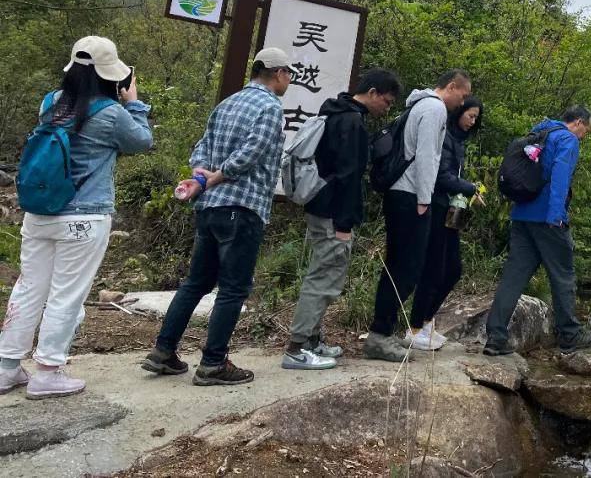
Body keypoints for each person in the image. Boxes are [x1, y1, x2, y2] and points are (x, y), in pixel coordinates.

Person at [0, 37, 152, 399]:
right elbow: (142, 141)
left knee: (29, 287)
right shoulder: (111, 113)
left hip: (40, 213)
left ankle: (6, 368)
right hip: (84, 218)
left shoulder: (50, 103)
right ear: (109, 74)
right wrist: (134, 102)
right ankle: (48, 371)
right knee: (67, 295)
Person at [142, 48, 290, 386]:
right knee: (233, 289)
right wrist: (217, 176)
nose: (289, 81)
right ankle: (213, 363)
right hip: (243, 206)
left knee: (196, 283)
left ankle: (163, 352)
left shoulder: (227, 103)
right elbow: (251, 155)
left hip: (209, 208)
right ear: (278, 73)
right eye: (289, 74)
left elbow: (201, 149)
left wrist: (201, 178)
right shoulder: (269, 107)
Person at [282, 69, 402, 370]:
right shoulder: (352, 122)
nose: (386, 108)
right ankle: (296, 348)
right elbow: (347, 178)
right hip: (334, 213)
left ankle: (311, 339)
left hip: (320, 205)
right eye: (386, 101)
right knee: (324, 277)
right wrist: (345, 224)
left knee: (322, 272)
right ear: (372, 93)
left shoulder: (335, 112)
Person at [364, 69, 472, 362]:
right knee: (405, 268)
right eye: (462, 96)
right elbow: (427, 157)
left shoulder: (418, 104)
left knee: (401, 265)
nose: (462, 103)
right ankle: (379, 335)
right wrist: (424, 199)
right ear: (451, 87)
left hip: (404, 193)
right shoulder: (434, 108)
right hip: (411, 196)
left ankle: (383, 332)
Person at [484, 106, 591, 357]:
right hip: (547, 218)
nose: (583, 137)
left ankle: (495, 337)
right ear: (578, 123)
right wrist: (556, 215)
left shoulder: (538, 134)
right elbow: (560, 177)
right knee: (563, 275)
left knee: (514, 276)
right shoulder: (567, 139)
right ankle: (570, 335)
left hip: (522, 215)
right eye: (585, 131)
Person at [405, 96, 485, 351]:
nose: (472, 121)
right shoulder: (446, 135)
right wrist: (472, 188)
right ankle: (415, 327)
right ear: (459, 112)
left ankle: (426, 322)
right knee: (434, 269)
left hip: (448, 210)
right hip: (436, 208)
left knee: (452, 269)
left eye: (476, 118)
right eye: (470, 115)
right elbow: (441, 176)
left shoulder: (459, 141)